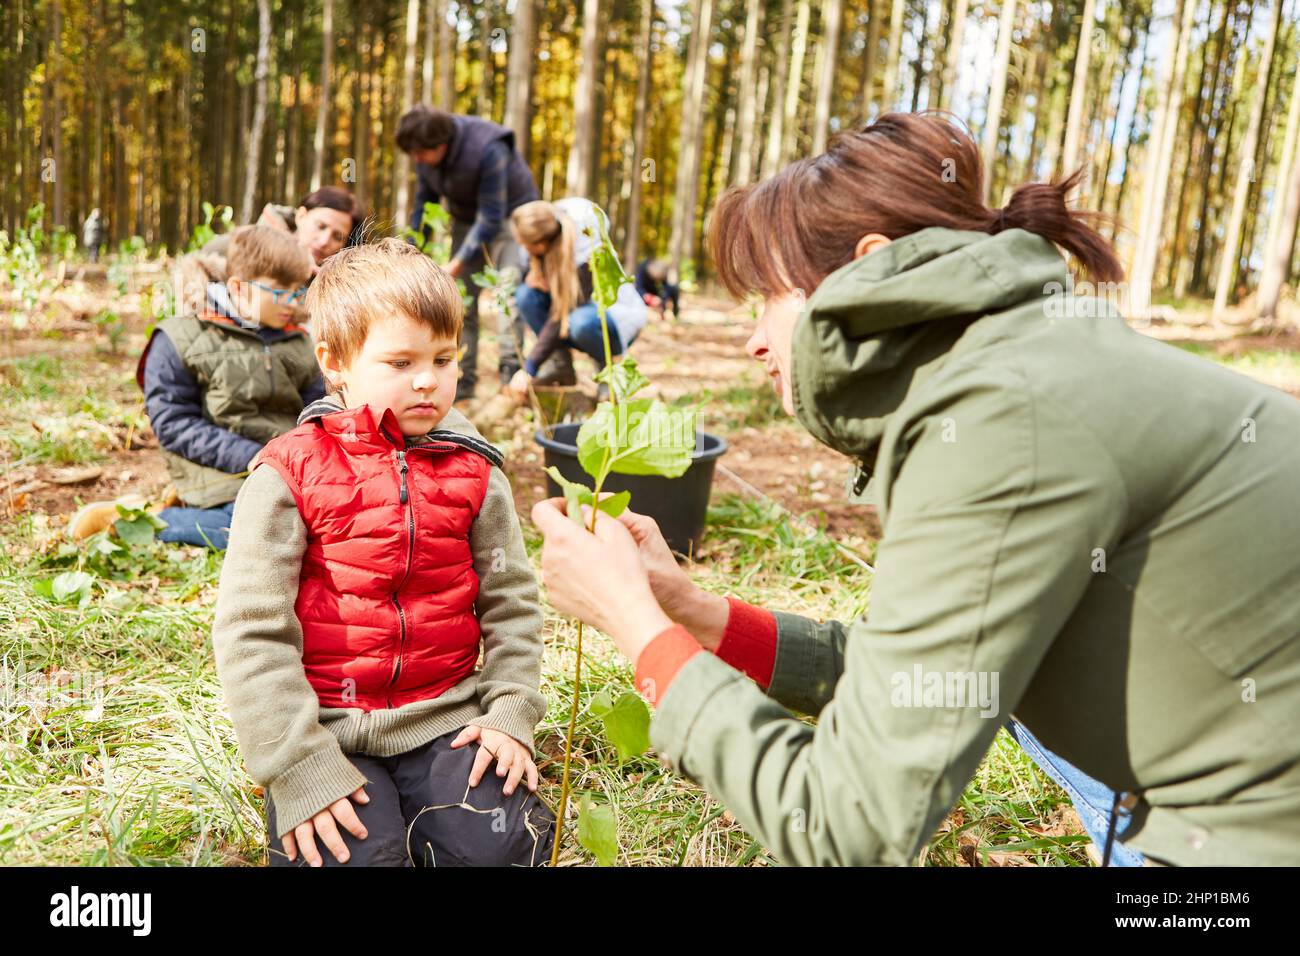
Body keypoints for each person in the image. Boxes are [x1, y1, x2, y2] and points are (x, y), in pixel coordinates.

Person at [529, 111, 1300, 866]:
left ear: (866, 268)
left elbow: (848, 823)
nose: (753, 339)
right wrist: (691, 613)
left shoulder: (1006, 422)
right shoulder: (1025, 365)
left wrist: (634, 624)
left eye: (768, 297)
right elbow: (926, 670)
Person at [212, 238, 554, 867]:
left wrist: (510, 712)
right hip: (329, 728)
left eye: (444, 358)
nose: (428, 380)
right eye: (399, 362)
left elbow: (513, 603)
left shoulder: (475, 471)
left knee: (504, 844)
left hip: (448, 718)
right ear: (335, 362)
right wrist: (296, 765)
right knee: (352, 857)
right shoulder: (288, 473)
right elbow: (251, 630)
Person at [68, 225, 323, 550]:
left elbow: (315, 411)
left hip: (288, 470)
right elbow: (174, 424)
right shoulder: (180, 338)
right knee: (262, 532)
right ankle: (134, 520)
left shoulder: (297, 340)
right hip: (219, 473)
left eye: (297, 291)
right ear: (239, 287)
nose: (291, 302)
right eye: (279, 291)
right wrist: (251, 457)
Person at [396, 105, 539, 403]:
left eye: (421, 153)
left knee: (507, 293)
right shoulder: (425, 153)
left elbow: (491, 215)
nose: (417, 160)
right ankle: (464, 381)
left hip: (510, 218)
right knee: (462, 301)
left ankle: (510, 376)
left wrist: (458, 261)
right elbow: (425, 203)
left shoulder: (489, 147)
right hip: (466, 218)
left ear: (442, 146)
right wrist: (411, 252)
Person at [506, 198, 648, 403]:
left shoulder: (586, 254)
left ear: (541, 244)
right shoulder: (546, 241)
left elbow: (559, 316)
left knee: (580, 321)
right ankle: (561, 367)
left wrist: (529, 368)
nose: (521, 246)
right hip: (573, 316)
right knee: (525, 295)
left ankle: (608, 374)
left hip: (612, 319)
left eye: (524, 243)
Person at [173, 187, 362, 322]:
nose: (324, 240)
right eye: (320, 226)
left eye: (337, 236)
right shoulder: (242, 242)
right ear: (302, 216)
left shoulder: (335, 287)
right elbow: (192, 274)